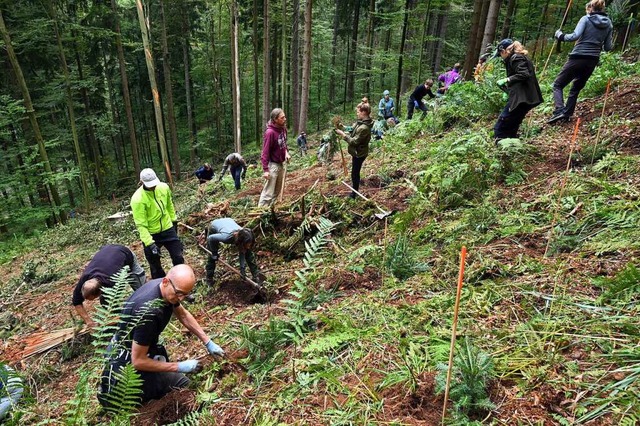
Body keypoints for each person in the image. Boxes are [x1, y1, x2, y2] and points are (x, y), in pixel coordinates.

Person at [98, 264, 224, 408]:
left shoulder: (163, 288)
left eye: (185, 294)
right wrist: (178, 366)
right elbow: (138, 361)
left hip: (130, 350)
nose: (181, 298)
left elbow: (182, 314)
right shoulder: (149, 313)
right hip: (124, 372)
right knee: (184, 384)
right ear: (166, 282)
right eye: (179, 293)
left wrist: (207, 341)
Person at [548, 0, 613, 124]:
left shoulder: (586, 19)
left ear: (590, 8)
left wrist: (560, 35)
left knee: (558, 84)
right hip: (592, 60)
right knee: (576, 88)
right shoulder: (609, 23)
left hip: (578, 57)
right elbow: (608, 47)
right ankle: (566, 114)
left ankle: (559, 110)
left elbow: (574, 36)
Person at [72, 244, 146, 327]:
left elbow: (118, 297)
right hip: (108, 252)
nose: (90, 301)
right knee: (107, 302)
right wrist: (89, 321)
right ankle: (116, 322)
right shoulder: (85, 279)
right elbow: (76, 301)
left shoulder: (112, 281)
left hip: (125, 254)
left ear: (101, 291)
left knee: (142, 290)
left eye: (93, 298)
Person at [131, 168, 183, 279]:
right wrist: (149, 243)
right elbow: (141, 224)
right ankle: (160, 288)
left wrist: (174, 222)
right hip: (151, 233)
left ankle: (181, 283)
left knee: (178, 257)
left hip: (167, 228)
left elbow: (169, 205)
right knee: (155, 265)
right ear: (142, 182)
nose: (153, 187)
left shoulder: (164, 188)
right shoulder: (138, 199)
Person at [493, 39, 543, 141]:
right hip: (525, 97)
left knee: (501, 125)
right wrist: (508, 91)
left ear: (504, 51)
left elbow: (524, 74)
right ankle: (511, 146)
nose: (501, 57)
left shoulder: (516, 57)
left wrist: (507, 79)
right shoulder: (517, 57)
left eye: (500, 54)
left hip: (523, 98)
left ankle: (502, 147)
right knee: (513, 122)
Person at [205, 218, 260, 286]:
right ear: (240, 241)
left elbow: (242, 251)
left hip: (228, 222)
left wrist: (242, 270)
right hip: (214, 227)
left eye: (250, 244)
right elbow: (210, 238)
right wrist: (214, 252)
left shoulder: (245, 235)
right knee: (212, 257)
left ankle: (256, 276)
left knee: (248, 253)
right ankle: (209, 279)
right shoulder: (226, 237)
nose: (248, 246)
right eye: (247, 245)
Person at [335, 102, 373, 199]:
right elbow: (352, 129)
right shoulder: (360, 123)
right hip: (356, 152)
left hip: (359, 154)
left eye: (358, 112)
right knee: (354, 172)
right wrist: (342, 127)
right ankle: (354, 191)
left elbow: (354, 142)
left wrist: (343, 135)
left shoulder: (364, 128)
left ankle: (354, 194)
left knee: (355, 173)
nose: (357, 113)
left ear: (364, 112)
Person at [258, 108, 290, 207]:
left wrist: (286, 153)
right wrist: (266, 170)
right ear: (275, 119)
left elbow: (284, 144)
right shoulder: (270, 133)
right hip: (273, 165)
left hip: (281, 164)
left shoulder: (283, 129)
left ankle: (270, 211)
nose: (285, 119)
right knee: (268, 192)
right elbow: (265, 152)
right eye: (282, 117)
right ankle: (260, 212)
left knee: (277, 191)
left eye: (284, 116)